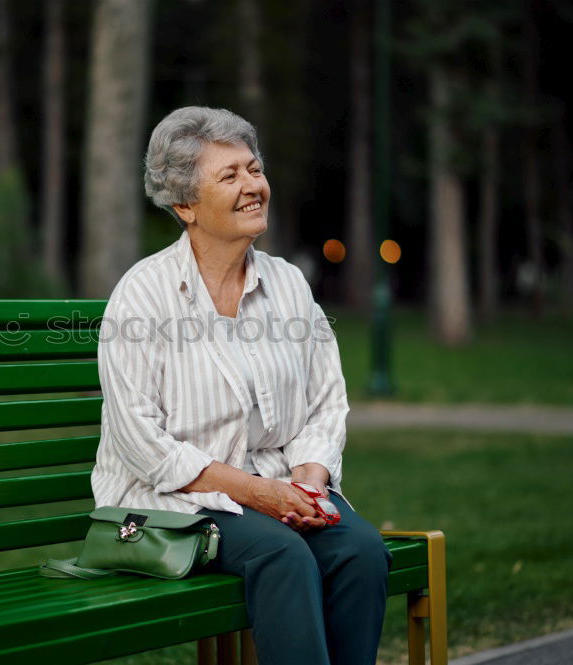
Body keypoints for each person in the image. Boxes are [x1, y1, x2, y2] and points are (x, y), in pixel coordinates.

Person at [91, 106, 390, 665]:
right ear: (185, 206)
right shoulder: (143, 296)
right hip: (171, 500)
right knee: (283, 556)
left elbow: (325, 401)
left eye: (253, 169)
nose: (253, 186)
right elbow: (141, 441)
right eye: (229, 176)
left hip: (278, 487)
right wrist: (258, 495)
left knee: (360, 550)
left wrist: (309, 481)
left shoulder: (288, 284)